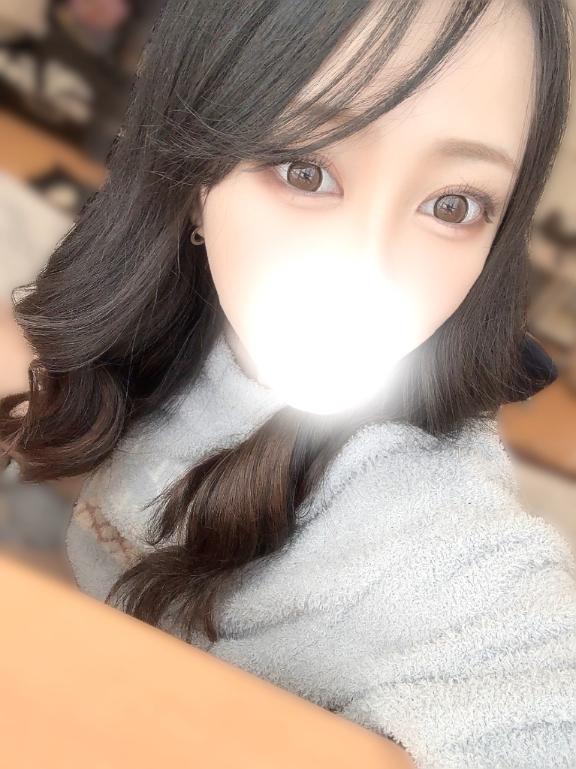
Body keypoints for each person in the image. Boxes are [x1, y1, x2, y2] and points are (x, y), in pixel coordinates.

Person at [1, 1, 575, 767]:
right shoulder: (177, 330)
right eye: (307, 170)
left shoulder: (433, 537)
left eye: (453, 204)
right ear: (195, 174)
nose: (370, 272)